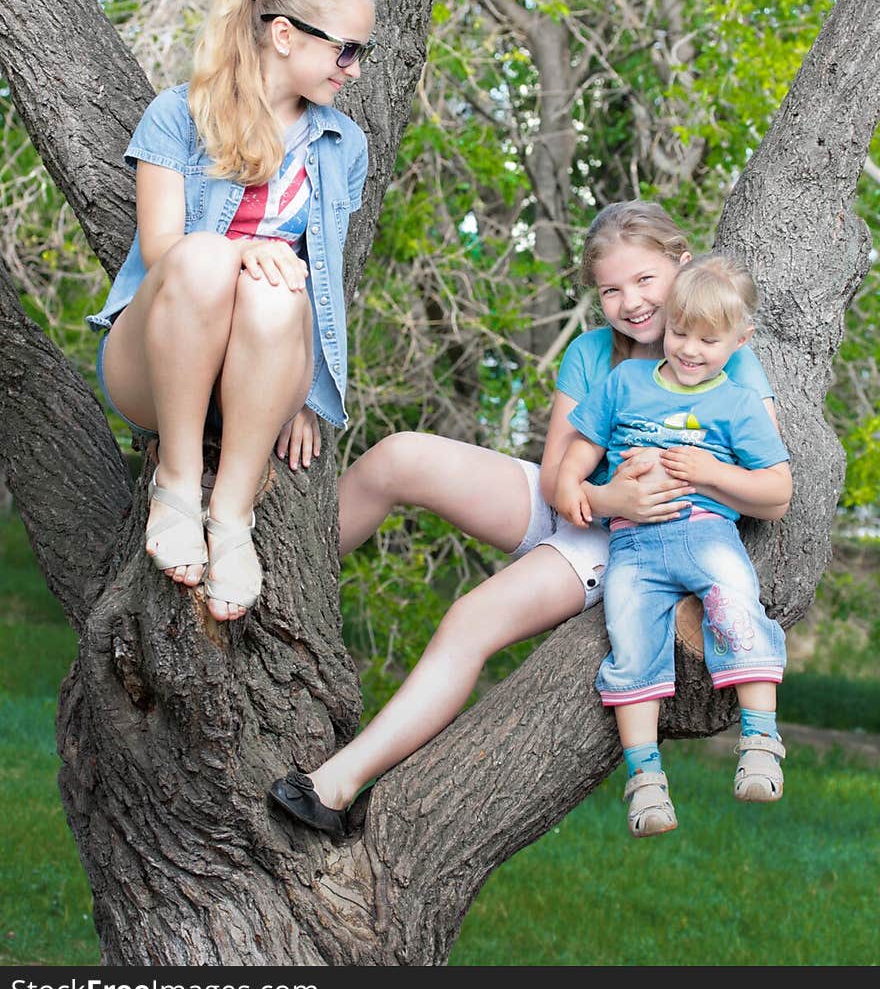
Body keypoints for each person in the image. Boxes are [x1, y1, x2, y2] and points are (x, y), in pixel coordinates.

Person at [268, 202, 787, 839]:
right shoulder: (593, 353)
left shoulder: (724, 354)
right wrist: (606, 497)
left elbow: (765, 484)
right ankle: (273, 588)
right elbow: (555, 476)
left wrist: (633, 502)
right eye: (611, 290)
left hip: (637, 539)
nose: (632, 302)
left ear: (681, 266)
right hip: (587, 504)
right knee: (399, 456)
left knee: (469, 620)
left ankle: (335, 786)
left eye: (646, 281)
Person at [86, 0, 376, 622]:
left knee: (279, 291)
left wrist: (302, 390)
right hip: (159, 362)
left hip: (261, 365)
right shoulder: (178, 114)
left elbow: (317, 286)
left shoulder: (342, 144)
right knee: (205, 257)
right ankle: (179, 485)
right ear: (284, 35)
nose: (354, 68)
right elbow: (163, 253)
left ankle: (232, 513)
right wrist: (246, 250)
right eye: (346, 49)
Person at [555, 253, 792, 838]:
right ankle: (645, 781)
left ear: (741, 340)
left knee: (738, 609)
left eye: (709, 340)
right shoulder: (624, 383)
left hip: (707, 534)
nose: (689, 349)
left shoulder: (736, 402)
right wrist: (585, 489)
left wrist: (710, 471)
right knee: (630, 648)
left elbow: (777, 493)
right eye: (680, 331)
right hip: (633, 547)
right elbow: (575, 464)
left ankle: (760, 740)